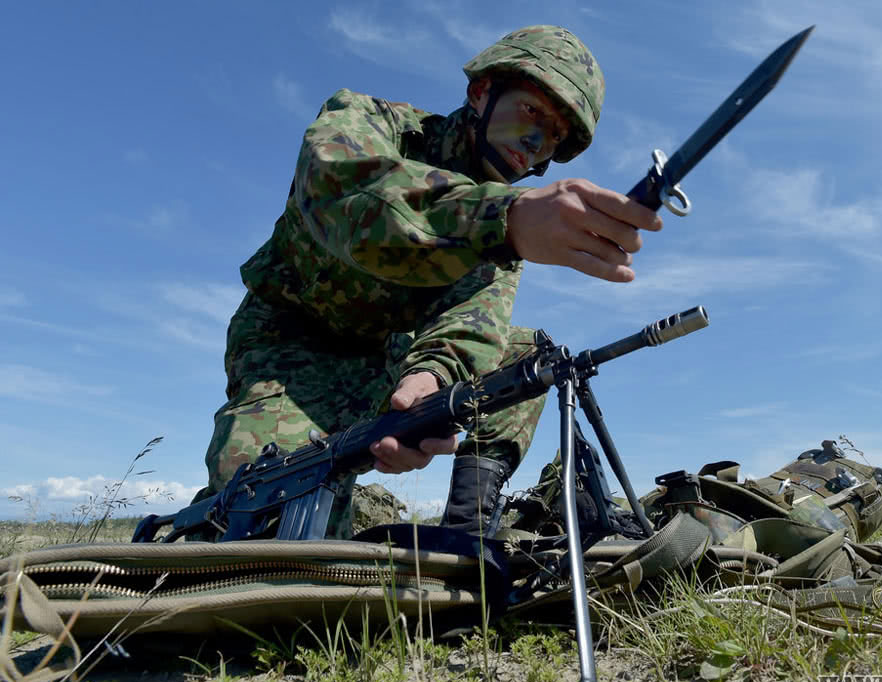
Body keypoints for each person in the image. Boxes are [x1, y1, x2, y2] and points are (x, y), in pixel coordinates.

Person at [192, 25, 662, 537]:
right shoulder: (371, 124)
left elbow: (472, 323)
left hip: (394, 358)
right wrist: (503, 218)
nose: (536, 143)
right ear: (482, 92)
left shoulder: (505, 229)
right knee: (264, 534)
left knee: (526, 358)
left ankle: (466, 533)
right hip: (295, 346)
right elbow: (347, 195)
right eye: (532, 112)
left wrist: (433, 380)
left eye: (554, 136)